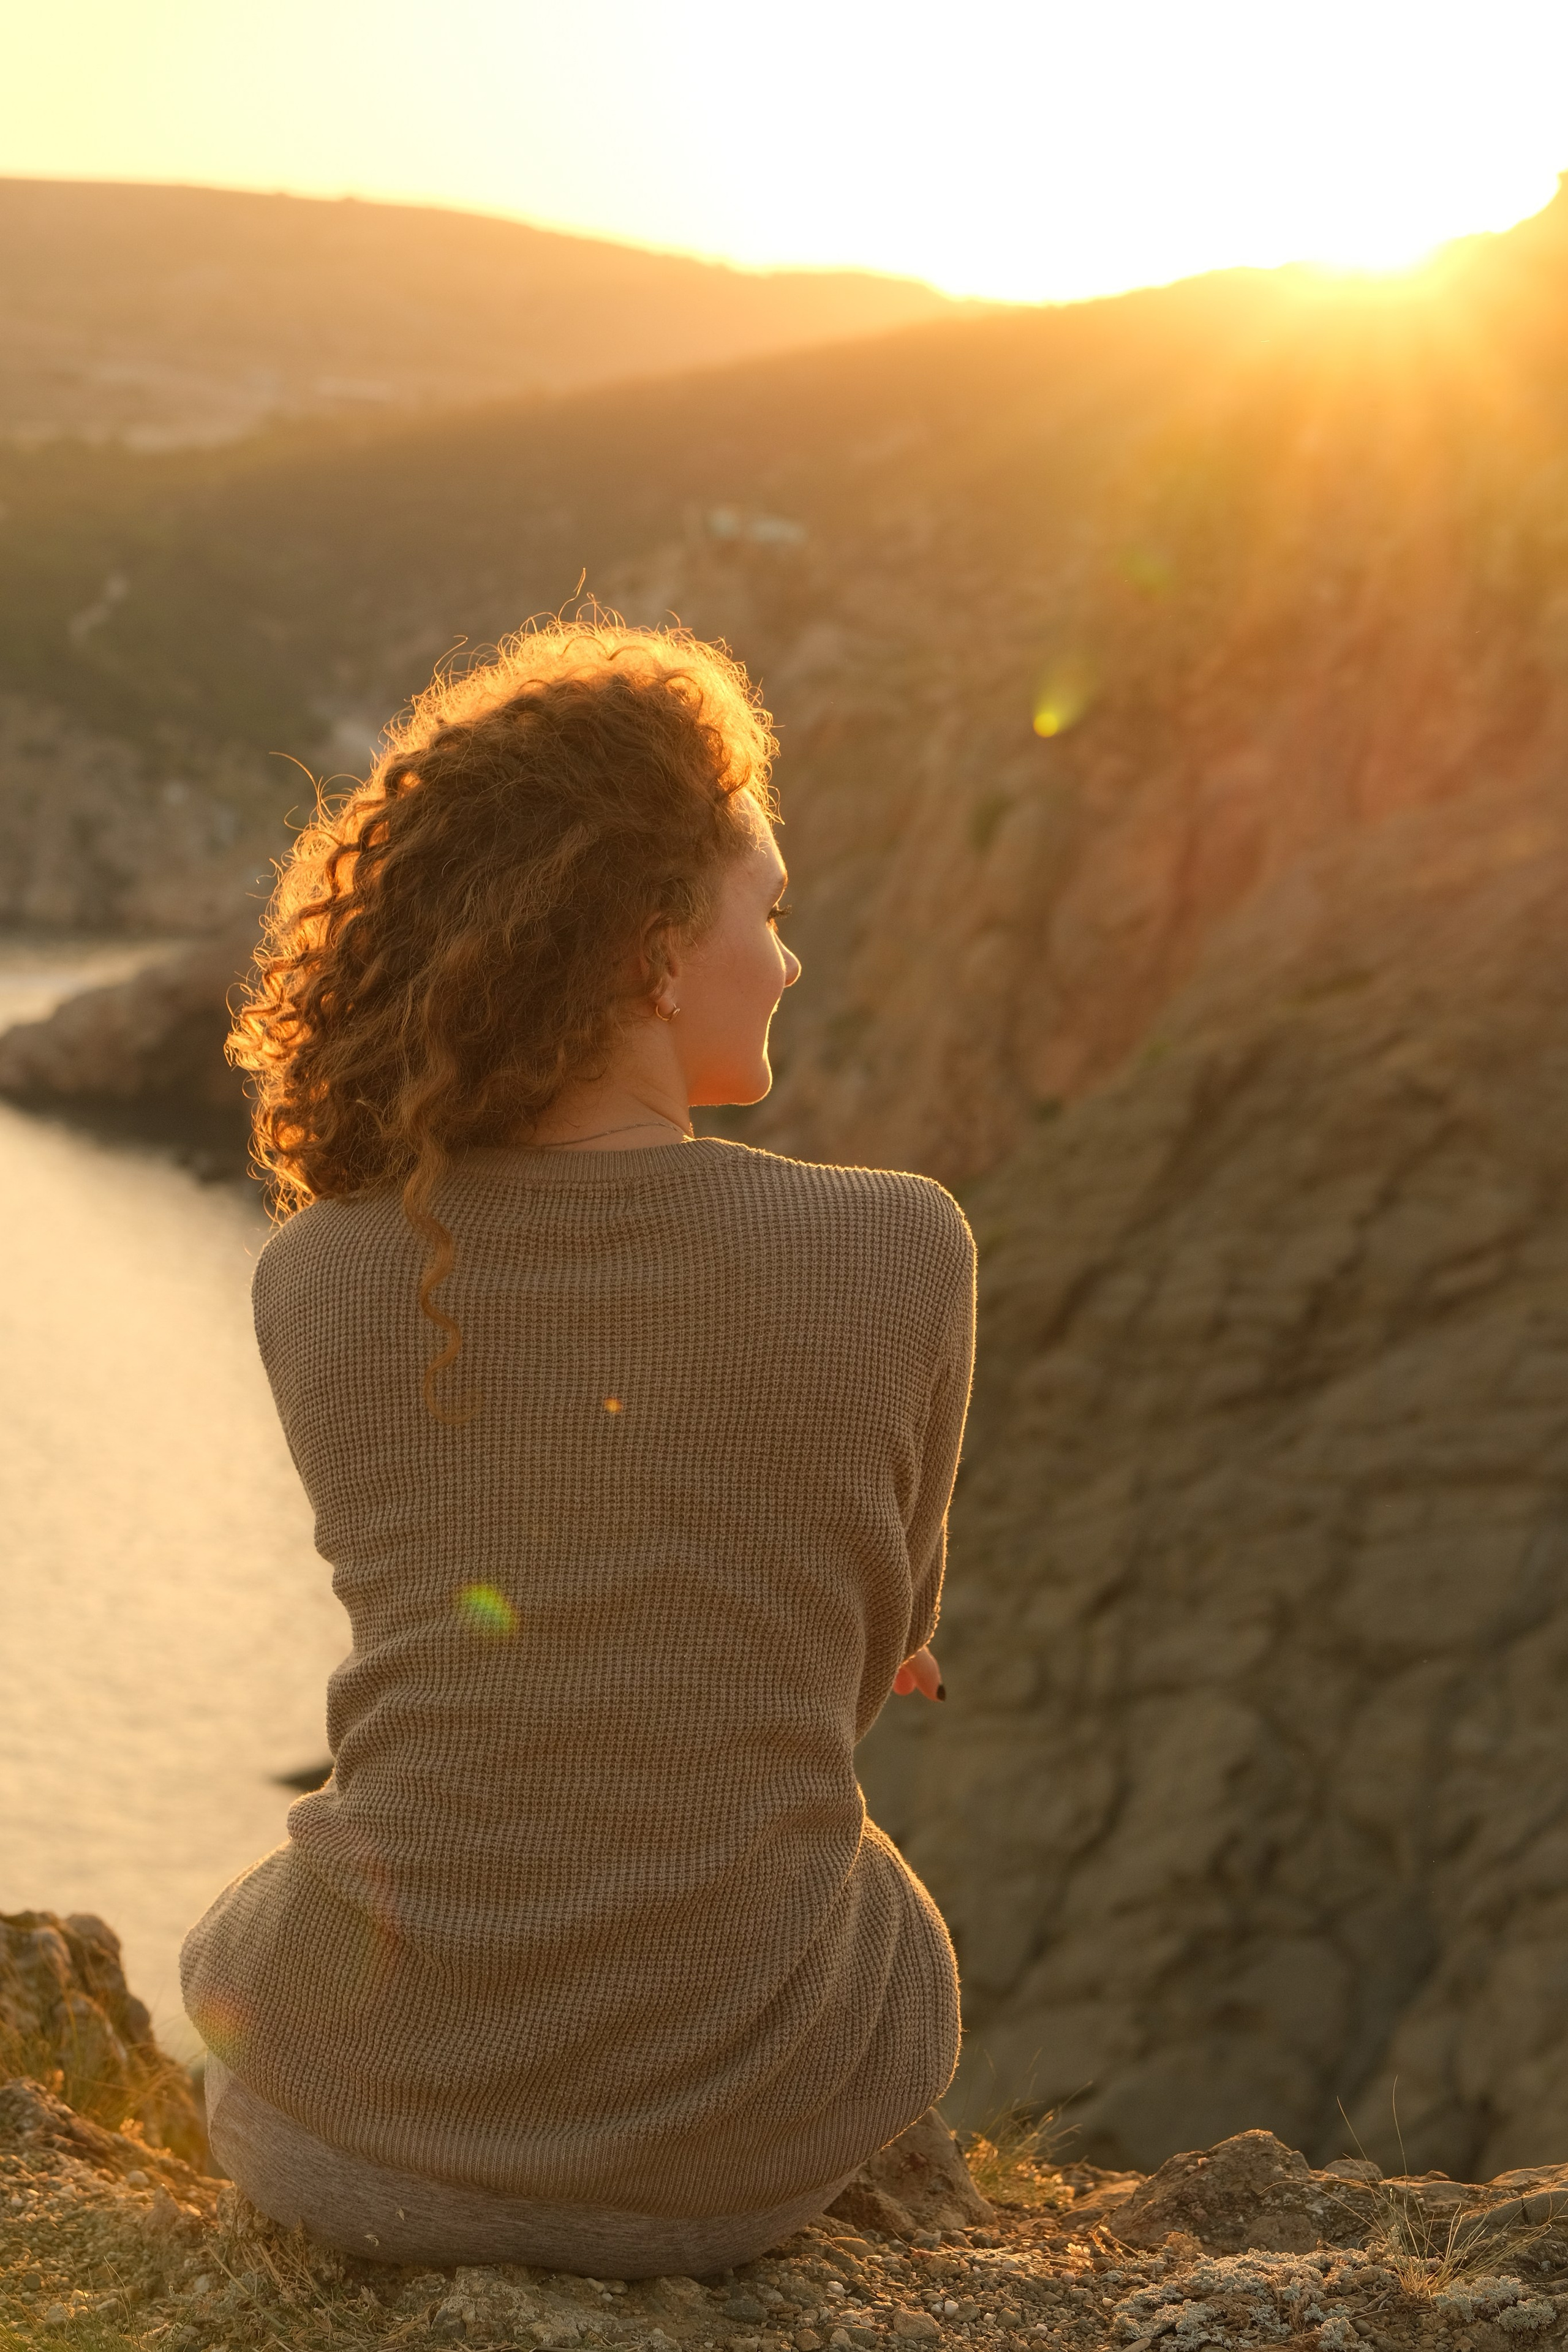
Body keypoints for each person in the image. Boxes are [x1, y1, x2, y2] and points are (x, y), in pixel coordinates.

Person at [181, 617, 976, 2276]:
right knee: (865, 1879)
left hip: (361, 2121)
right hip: (736, 2144)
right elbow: (868, 1662)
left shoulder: (315, 1273)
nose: (790, 958)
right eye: (769, 910)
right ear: (651, 943)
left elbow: (492, 1625)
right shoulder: (905, 1246)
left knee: (249, 1931)